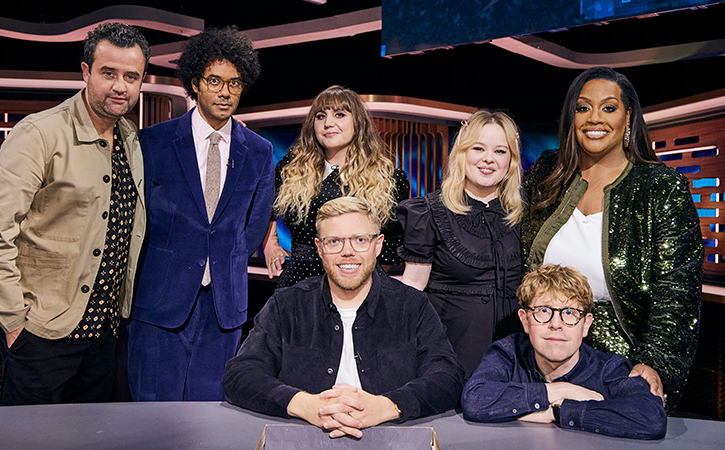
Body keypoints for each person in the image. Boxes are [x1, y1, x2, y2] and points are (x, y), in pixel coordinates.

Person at [0, 23, 149, 405]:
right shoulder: (39, 133)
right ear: (85, 73)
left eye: (131, 77)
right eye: (108, 73)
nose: (120, 86)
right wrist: (14, 322)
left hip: (105, 337)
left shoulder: (131, 139)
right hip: (42, 336)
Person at [522, 66, 703, 410]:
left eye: (608, 108)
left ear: (628, 116)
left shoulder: (661, 188)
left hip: (620, 372)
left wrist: (654, 364)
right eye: (582, 107)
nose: (594, 119)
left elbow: (676, 296)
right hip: (541, 363)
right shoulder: (547, 174)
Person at [223, 197, 463, 439]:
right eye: (334, 241)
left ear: (378, 245)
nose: (347, 252)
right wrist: (304, 404)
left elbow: (447, 377)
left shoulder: (412, 306)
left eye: (360, 240)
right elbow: (240, 374)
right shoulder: (287, 305)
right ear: (319, 248)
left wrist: (388, 406)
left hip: (391, 440)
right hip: (302, 441)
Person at [128, 26, 274, 401]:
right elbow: (135, 220)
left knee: (211, 420)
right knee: (152, 420)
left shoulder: (257, 151)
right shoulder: (153, 142)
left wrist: (228, 259)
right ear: (195, 83)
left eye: (235, 83)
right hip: (160, 302)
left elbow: (255, 225)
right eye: (215, 81)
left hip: (223, 307)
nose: (225, 92)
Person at [462, 264, 667, 440]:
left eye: (569, 313)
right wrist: (562, 391)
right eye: (543, 310)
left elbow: (651, 418)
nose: (556, 324)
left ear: (586, 325)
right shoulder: (508, 353)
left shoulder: (609, 369)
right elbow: (474, 400)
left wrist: (560, 411)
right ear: (525, 320)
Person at [396, 110, 523, 378]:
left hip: (516, 356)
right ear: (462, 153)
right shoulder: (428, 212)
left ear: (510, 160)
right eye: (478, 148)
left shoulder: (525, 214)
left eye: (500, 151)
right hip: (452, 354)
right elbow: (412, 290)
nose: (489, 159)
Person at [263, 85, 410, 288]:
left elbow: (393, 244)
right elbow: (266, 205)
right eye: (321, 116)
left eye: (339, 114)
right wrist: (270, 242)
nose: (328, 123)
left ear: (358, 123)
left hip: (362, 284)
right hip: (300, 282)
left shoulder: (389, 178)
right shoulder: (292, 168)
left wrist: (361, 274)